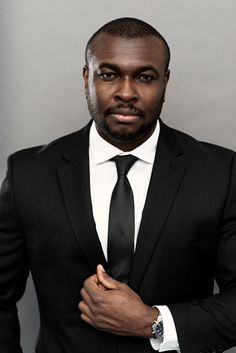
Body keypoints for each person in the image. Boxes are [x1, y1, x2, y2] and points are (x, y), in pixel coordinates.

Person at [0, 17, 236, 353]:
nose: (126, 92)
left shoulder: (220, 173)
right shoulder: (28, 173)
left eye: (144, 77)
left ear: (165, 81)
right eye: (108, 74)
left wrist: (152, 322)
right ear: (87, 77)